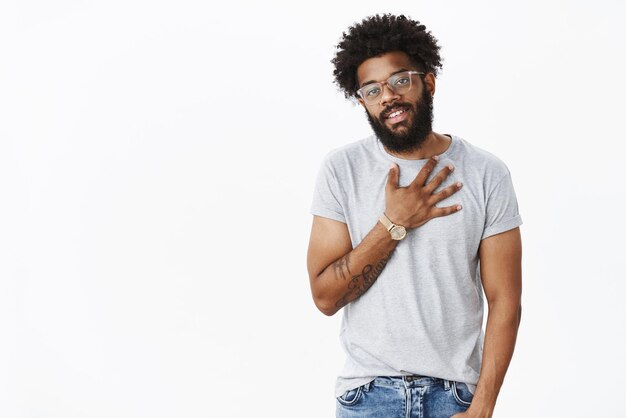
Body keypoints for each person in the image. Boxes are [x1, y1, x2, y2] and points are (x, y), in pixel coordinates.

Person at [307, 14, 523, 418]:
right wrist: (394, 224)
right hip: (368, 398)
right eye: (371, 90)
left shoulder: (486, 173)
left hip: (456, 397)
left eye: (399, 80)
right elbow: (325, 297)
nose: (387, 96)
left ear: (428, 82)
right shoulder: (342, 170)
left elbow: (505, 300)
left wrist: (483, 409)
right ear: (363, 103)